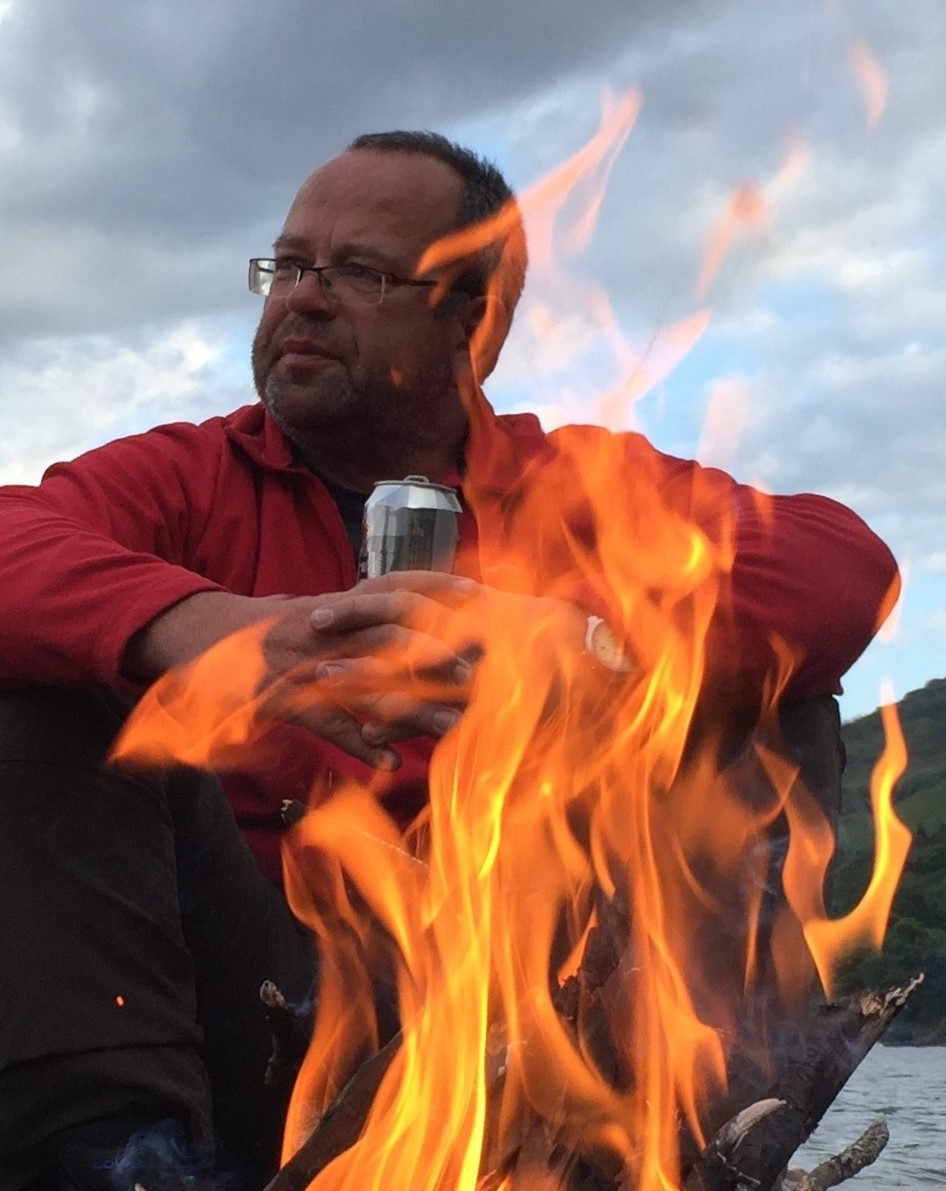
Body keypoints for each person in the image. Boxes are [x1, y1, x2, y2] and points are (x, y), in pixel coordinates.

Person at [0, 131, 899, 1189]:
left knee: (769, 692)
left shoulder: (571, 485)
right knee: (41, 690)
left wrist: (584, 645)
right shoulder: (191, 479)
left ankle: (677, 1139)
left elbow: (842, 566)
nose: (303, 297)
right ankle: (121, 1167)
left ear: (474, 321)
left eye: (360, 272)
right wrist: (208, 628)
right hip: (256, 1014)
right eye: (288, 265)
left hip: (538, 1022)